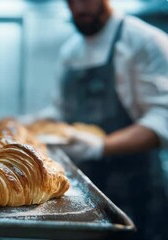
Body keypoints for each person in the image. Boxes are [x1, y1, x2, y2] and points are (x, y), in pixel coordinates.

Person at [24, 0, 168, 239]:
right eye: (71, 1)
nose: (79, 9)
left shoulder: (143, 41)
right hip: (79, 191)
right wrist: (30, 121)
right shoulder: (71, 51)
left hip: (135, 190)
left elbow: (163, 116)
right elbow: (62, 111)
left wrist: (102, 146)